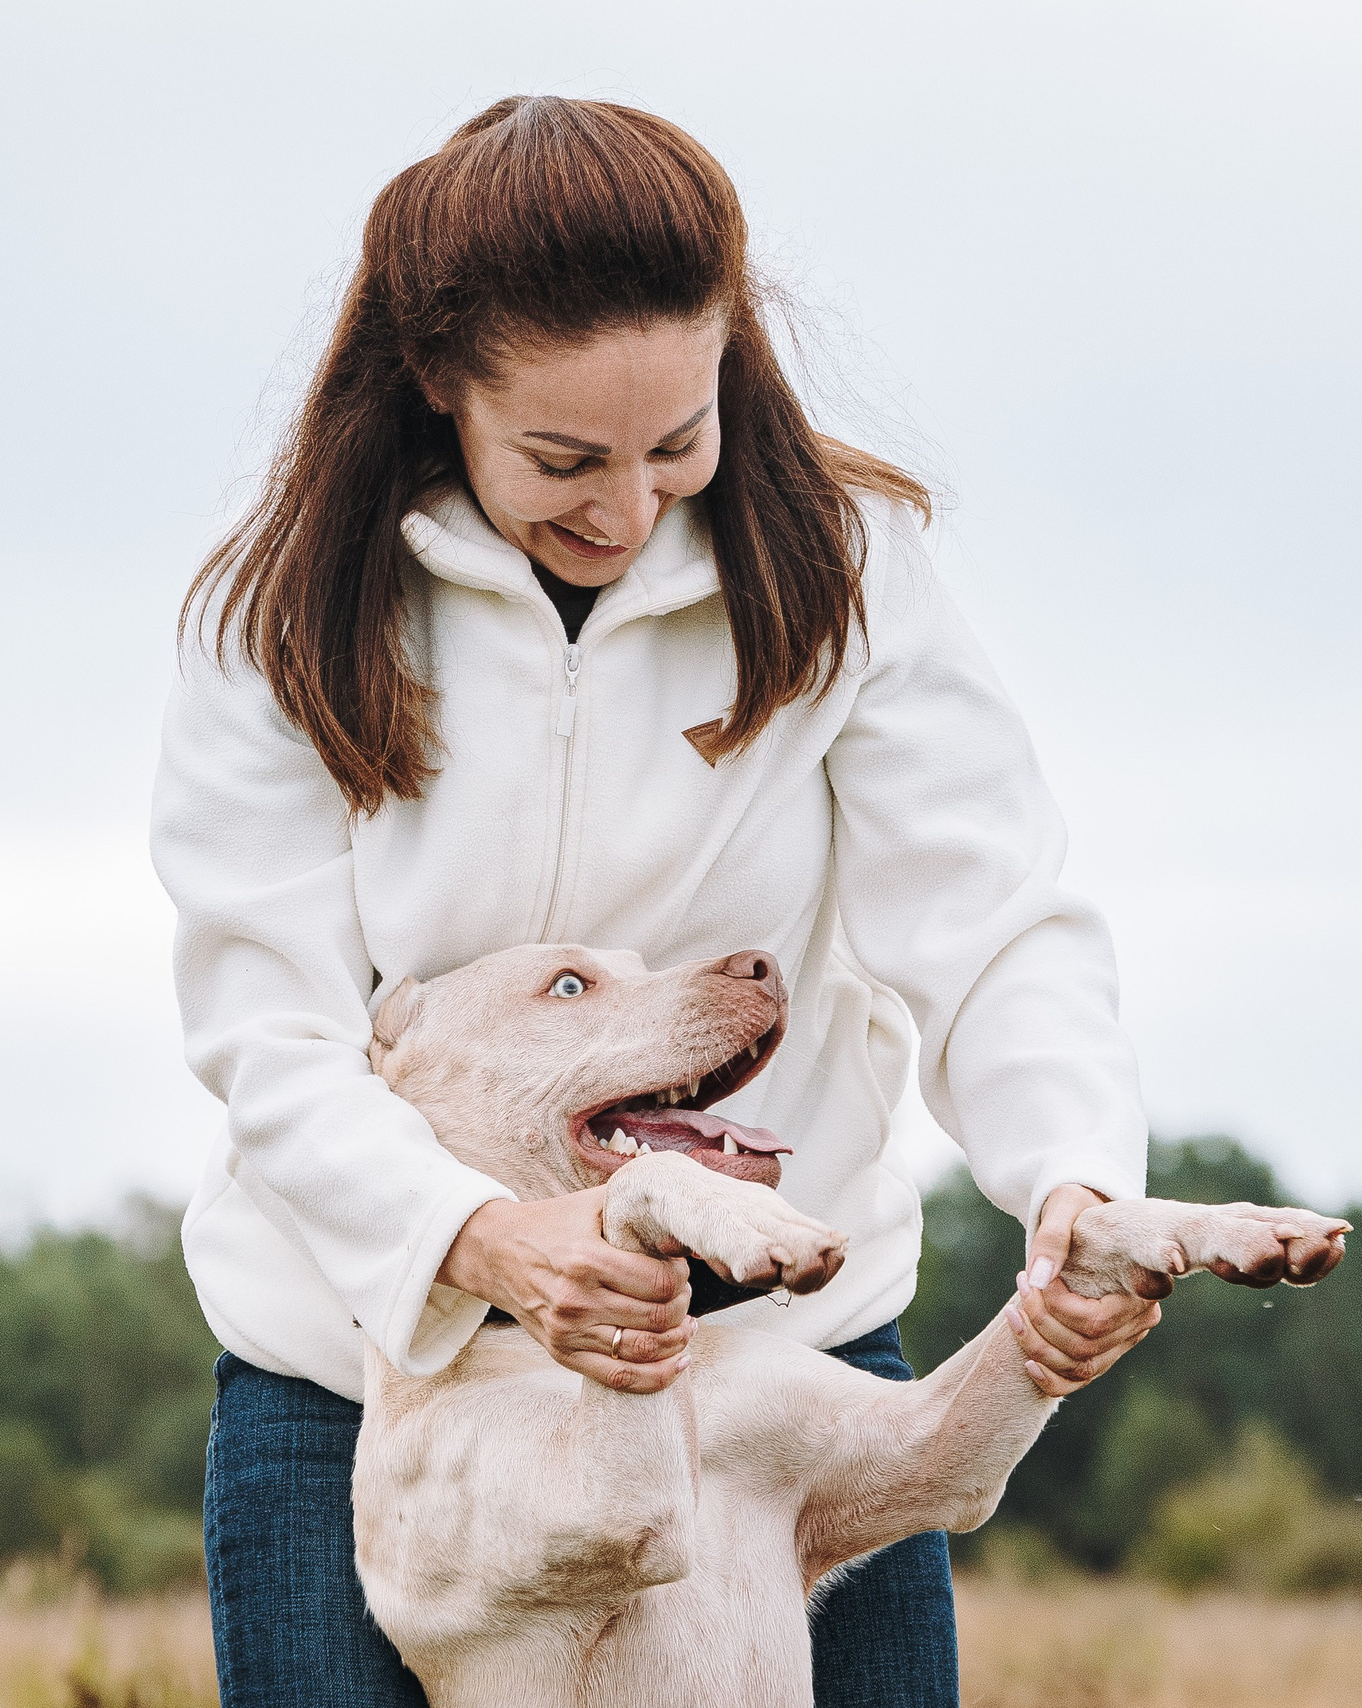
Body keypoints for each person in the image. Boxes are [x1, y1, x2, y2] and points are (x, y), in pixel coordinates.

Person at [153, 95, 1162, 1707]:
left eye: (676, 441)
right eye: (563, 460)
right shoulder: (284, 611)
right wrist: (481, 1240)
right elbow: (270, 1030)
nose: (627, 512)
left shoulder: (847, 564)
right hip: (361, 1380)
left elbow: (987, 920)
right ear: (435, 387)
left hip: (777, 1368)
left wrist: (1073, 1179)